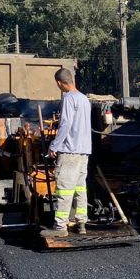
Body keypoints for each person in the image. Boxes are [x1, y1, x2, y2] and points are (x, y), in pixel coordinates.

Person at [41, 68, 92, 237]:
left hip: (69, 151)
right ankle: (81, 223)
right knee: (80, 188)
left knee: (64, 189)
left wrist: (54, 146)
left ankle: (60, 227)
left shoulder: (68, 98)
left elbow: (65, 124)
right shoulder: (85, 99)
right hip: (84, 151)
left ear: (59, 83)